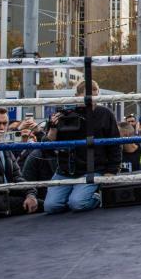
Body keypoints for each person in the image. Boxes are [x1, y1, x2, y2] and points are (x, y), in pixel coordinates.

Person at [43, 80, 121, 214]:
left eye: (96, 95)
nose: (92, 100)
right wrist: (53, 128)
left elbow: (114, 143)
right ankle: (73, 196)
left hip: (93, 169)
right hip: (66, 170)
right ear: (77, 96)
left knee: (78, 203)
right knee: (51, 206)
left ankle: (98, 195)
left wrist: (111, 171)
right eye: (89, 95)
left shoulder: (104, 114)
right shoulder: (64, 115)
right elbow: (47, 148)